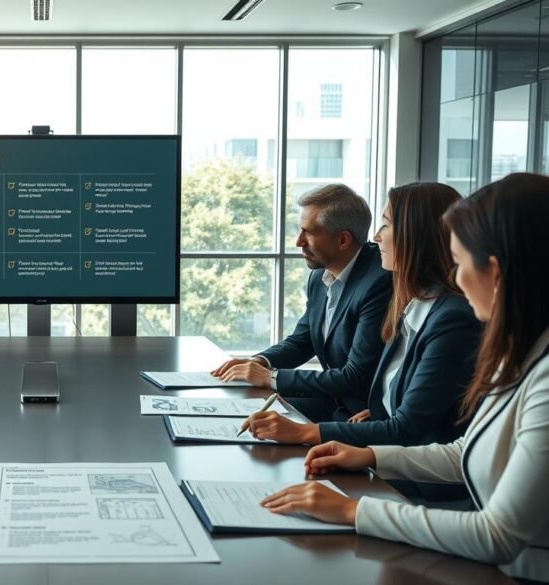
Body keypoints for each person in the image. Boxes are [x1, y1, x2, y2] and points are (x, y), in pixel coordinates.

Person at [260, 173, 549, 582]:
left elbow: (497, 536)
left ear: (496, 273)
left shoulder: (536, 373)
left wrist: (351, 510)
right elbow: (462, 451)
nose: (459, 281)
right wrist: (371, 454)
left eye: (462, 263)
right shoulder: (518, 356)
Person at [244, 182, 480, 448]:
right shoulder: (413, 302)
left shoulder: (446, 315)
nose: (376, 237)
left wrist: (305, 430)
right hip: (365, 422)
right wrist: (259, 363)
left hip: (407, 466)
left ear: (415, 235)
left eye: (385, 225)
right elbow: (305, 340)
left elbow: (406, 427)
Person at [213, 184, 393, 421]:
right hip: (331, 399)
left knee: (261, 425)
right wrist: (259, 362)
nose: (299, 242)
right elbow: (303, 340)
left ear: (343, 240)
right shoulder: (319, 275)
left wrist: (270, 378)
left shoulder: (379, 282)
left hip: (360, 412)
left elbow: (355, 377)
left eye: (307, 232)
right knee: (240, 413)